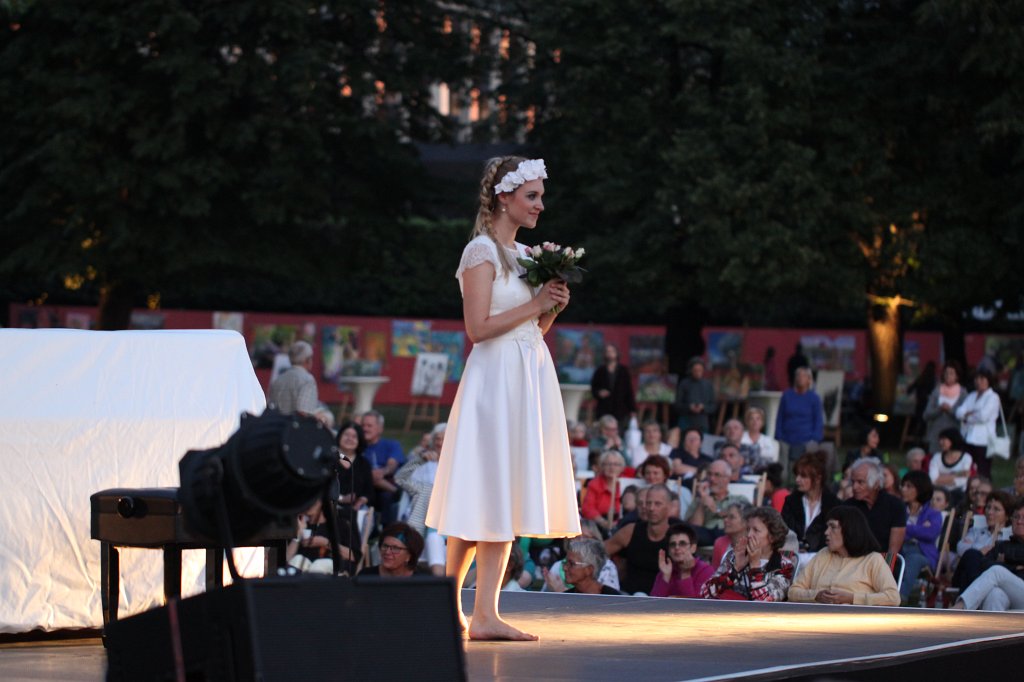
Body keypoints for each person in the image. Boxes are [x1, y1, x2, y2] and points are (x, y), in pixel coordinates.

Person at [424, 156, 580, 641]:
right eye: (531, 196)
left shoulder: (527, 254)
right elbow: (477, 329)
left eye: (540, 196)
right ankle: (463, 610)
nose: (540, 205)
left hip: (527, 376)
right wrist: (536, 303)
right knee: (485, 490)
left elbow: (531, 329)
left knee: (501, 491)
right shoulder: (481, 251)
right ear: (504, 197)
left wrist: (550, 310)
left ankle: (481, 612)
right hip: (494, 382)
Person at [788, 506, 900, 606]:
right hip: (817, 617)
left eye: (833, 527)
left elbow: (893, 597)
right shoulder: (823, 554)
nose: (826, 532)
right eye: (827, 527)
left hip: (855, 620)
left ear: (849, 530)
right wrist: (815, 596)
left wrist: (852, 598)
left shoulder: (873, 560)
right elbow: (793, 591)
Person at [701, 507, 795, 601]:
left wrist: (755, 567)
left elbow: (765, 603)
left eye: (756, 530)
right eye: (748, 529)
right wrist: (735, 569)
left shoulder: (784, 566)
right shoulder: (735, 555)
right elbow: (704, 593)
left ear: (772, 537)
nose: (749, 535)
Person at [952, 502, 1024, 611]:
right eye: (1016, 517)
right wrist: (1014, 568)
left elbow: (994, 569)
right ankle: (988, 623)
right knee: (995, 594)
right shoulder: (1002, 545)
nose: (1019, 521)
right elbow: (984, 564)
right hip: (1012, 596)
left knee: (997, 571)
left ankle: (961, 607)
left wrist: (1003, 564)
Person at [605, 484, 673, 595]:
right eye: (648, 503)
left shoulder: (676, 537)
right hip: (627, 597)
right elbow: (599, 551)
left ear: (669, 507)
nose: (651, 508)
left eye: (657, 504)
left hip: (662, 599)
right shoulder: (631, 531)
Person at [842, 458, 907, 556]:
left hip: (885, 562)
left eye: (860, 482)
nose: (854, 487)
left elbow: (893, 551)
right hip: (854, 562)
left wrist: (883, 566)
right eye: (853, 482)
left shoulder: (895, 506)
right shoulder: (847, 507)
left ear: (876, 483)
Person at [953, 490, 1014, 591]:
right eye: (988, 507)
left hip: (990, 582)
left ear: (1007, 515)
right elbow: (960, 547)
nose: (990, 512)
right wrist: (980, 552)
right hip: (969, 580)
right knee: (972, 555)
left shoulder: (1008, 536)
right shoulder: (977, 531)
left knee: (972, 555)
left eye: (996, 509)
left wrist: (974, 549)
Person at [898, 470, 943, 603]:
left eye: (909, 486)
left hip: (923, 554)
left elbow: (930, 534)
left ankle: (900, 597)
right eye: (903, 485)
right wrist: (920, 528)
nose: (903, 489)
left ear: (920, 489)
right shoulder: (899, 509)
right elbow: (893, 531)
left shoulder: (933, 514)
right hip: (901, 549)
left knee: (914, 558)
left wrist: (906, 528)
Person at [782, 451, 840, 553]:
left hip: (823, 556)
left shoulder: (833, 504)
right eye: (797, 475)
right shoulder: (791, 502)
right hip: (794, 555)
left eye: (803, 476)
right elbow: (784, 532)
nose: (797, 480)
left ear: (818, 478)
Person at [394, 422, 445, 536]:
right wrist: (420, 460)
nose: (440, 443)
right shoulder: (423, 462)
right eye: (437, 439)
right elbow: (401, 479)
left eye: (444, 439)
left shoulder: (457, 465)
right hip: (422, 512)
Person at [685, 460, 749, 547]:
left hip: (729, 534)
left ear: (727, 478)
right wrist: (702, 502)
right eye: (709, 474)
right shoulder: (699, 500)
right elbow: (693, 529)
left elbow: (746, 522)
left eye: (717, 475)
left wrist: (718, 511)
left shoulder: (739, 499)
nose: (712, 479)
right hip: (706, 535)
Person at [360, 410, 407, 526]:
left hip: (384, 485)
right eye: (363, 425)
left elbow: (392, 464)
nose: (365, 429)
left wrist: (382, 472)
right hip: (363, 486)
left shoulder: (391, 445)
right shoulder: (357, 446)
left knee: (386, 497)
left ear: (380, 429)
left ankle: (386, 530)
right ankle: (396, 491)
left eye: (369, 426)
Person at [955, 368, 1001, 479]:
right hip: (967, 437)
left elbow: (983, 416)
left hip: (983, 440)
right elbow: (959, 412)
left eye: (982, 378)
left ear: (988, 380)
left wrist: (967, 416)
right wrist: (969, 414)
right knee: (966, 467)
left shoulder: (993, 397)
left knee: (983, 470)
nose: (979, 381)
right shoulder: (971, 395)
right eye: (977, 378)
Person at [775, 367, 824, 463]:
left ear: (809, 380)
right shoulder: (787, 396)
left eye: (804, 376)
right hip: (786, 438)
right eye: (798, 375)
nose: (800, 378)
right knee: (781, 452)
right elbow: (780, 418)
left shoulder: (814, 398)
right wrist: (779, 436)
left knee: (810, 453)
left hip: (807, 438)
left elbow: (818, 421)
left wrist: (815, 439)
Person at [651, 524, 715, 598]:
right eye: (672, 544)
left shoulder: (706, 571)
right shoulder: (666, 570)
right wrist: (665, 576)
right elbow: (653, 603)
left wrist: (685, 574)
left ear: (693, 548)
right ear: (669, 550)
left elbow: (694, 604)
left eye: (682, 543)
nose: (677, 547)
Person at [590, 344, 637, 433]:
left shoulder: (623, 370)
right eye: (607, 351)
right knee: (604, 431)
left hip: (621, 408)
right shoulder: (600, 370)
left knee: (620, 431)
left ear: (617, 353)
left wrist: (632, 409)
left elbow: (629, 391)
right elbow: (594, 388)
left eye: (612, 351)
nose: (610, 354)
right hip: (604, 408)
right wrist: (599, 393)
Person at [922, 361, 967, 455]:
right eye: (946, 373)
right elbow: (926, 414)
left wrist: (949, 410)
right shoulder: (936, 391)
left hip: (954, 436)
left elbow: (964, 416)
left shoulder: (963, 393)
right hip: (936, 435)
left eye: (951, 373)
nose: (948, 376)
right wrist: (939, 409)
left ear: (957, 376)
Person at [580, 450, 627, 533]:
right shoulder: (594, 484)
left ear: (622, 468)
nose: (612, 467)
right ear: (602, 467)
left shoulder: (625, 484)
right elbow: (588, 508)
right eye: (608, 464)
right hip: (599, 524)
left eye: (616, 464)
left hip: (622, 525)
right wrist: (603, 522)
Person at [267, 340, 318, 415]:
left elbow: (270, 407)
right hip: (296, 422)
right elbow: (304, 411)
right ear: (307, 360)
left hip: (276, 421)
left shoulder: (277, 380)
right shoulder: (308, 380)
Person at [360, 522, 428, 577]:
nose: (387, 552)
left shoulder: (423, 580)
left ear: (409, 556)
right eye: (385, 546)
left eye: (395, 548)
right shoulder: (365, 576)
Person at [674, 357, 715, 432]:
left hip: (702, 422)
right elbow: (677, 405)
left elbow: (713, 406)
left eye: (700, 370)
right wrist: (689, 407)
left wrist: (703, 407)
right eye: (695, 370)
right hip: (686, 421)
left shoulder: (708, 385)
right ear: (691, 370)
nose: (698, 373)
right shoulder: (684, 384)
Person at [928, 427, 973, 494]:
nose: (940, 442)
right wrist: (958, 474)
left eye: (944, 439)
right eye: (940, 439)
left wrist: (940, 478)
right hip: (939, 492)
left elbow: (962, 481)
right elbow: (932, 479)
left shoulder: (966, 457)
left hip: (958, 493)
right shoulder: (936, 457)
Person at [712, 501, 751, 569]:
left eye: (731, 517)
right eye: (725, 516)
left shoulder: (754, 544)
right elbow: (715, 572)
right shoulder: (720, 543)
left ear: (746, 522)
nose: (725, 520)